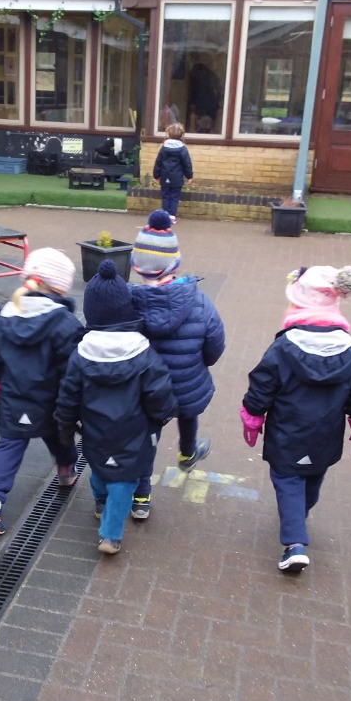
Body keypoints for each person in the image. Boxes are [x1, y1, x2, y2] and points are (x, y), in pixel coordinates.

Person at [240, 265, 351, 574]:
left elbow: (263, 384)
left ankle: (294, 543)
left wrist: (252, 415)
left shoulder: (284, 348)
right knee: (313, 476)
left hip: (286, 432)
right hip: (325, 434)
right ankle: (299, 514)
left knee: (287, 478)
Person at [56, 260, 176, 556]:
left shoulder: (81, 354)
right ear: (126, 308)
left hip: (95, 431)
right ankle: (110, 534)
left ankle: (99, 502)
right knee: (124, 480)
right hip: (133, 433)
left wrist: (65, 425)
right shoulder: (143, 352)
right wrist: (163, 415)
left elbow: (68, 395)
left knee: (99, 468)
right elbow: (158, 392)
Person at [0, 248, 84, 536]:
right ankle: (65, 471)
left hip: (13, 398)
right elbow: (72, 368)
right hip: (51, 401)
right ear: (60, 286)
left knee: (9, 446)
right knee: (60, 437)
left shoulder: (7, 314)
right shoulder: (66, 324)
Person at [129, 210, 225, 518]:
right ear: (175, 263)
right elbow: (215, 342)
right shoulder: (198, 301)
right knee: (187, 412)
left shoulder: (128, 301)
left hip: (147, 389)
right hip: (186, 382)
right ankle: (187, 452)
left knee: (147, 437)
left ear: (135, 265)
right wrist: (201, 364)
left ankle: (141, 499)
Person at [152, 123, 192, 223]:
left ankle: (165, 216)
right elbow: (187, 163)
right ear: (181, 135)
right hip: (177, 177)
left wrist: (156, 175)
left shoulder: (164, 148)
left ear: (168, 134)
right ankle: (172, 216)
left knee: (165, 196)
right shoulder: (182, 149)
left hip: (165, 175)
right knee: (174, 197)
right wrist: (189, 176)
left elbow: (158, 162)